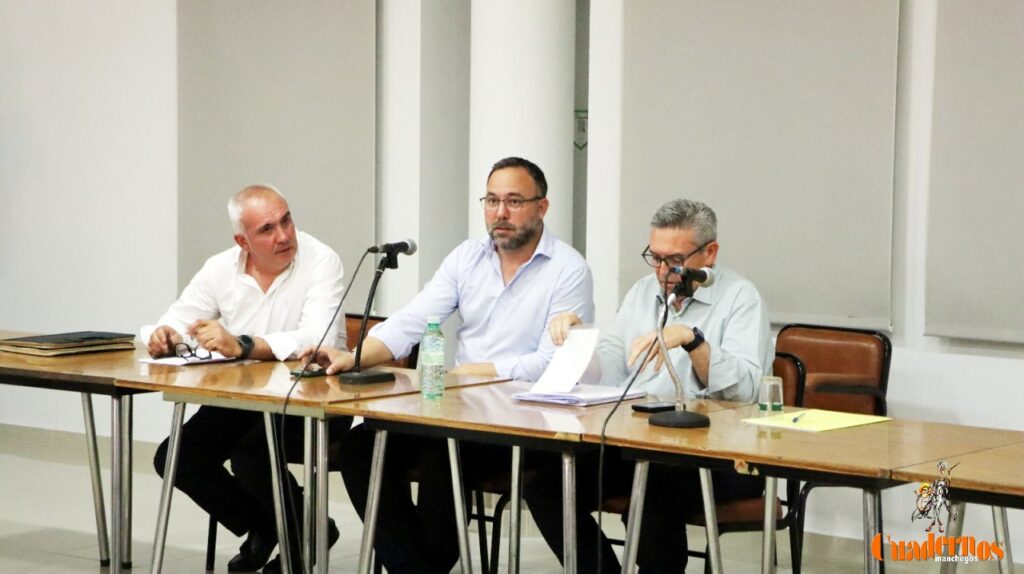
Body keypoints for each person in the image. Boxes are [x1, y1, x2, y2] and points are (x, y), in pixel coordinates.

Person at [306, 156, 594, 574]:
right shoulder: (467, 257)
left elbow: (552, 362)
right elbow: (412, 320)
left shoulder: (568, 268)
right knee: (359, 448)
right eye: (491, 201)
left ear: (542, 207)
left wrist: (475, 373)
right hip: (454, 410)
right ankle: (412, 567)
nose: (500, 213)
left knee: (442, 455)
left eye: (514, 201)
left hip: (520, 420)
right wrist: (352, 357)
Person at [528, 198, 774, 573]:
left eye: (673, 260)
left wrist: (693, 340)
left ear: (709, 253)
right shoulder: (644, 292)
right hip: (642, 445)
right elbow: (612, 365)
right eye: (655, 258)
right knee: (548, 486)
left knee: (652, 490)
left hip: (720, 458)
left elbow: (746, 391)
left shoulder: (741, 298)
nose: (662, 271)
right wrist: (577, 342)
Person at [143, 184, 346, 573]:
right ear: (243, 241)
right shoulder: (220, 268)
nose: (283, 235)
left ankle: (297, 535)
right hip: (245, 399)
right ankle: (275, 524)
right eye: (267, 229)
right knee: (176, 457)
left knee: (251, 450)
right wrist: (164, 335)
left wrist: (244, 345)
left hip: (311, 399)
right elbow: (179, 318)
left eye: (286, 220)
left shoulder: (321, 261)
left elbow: (314, 337)